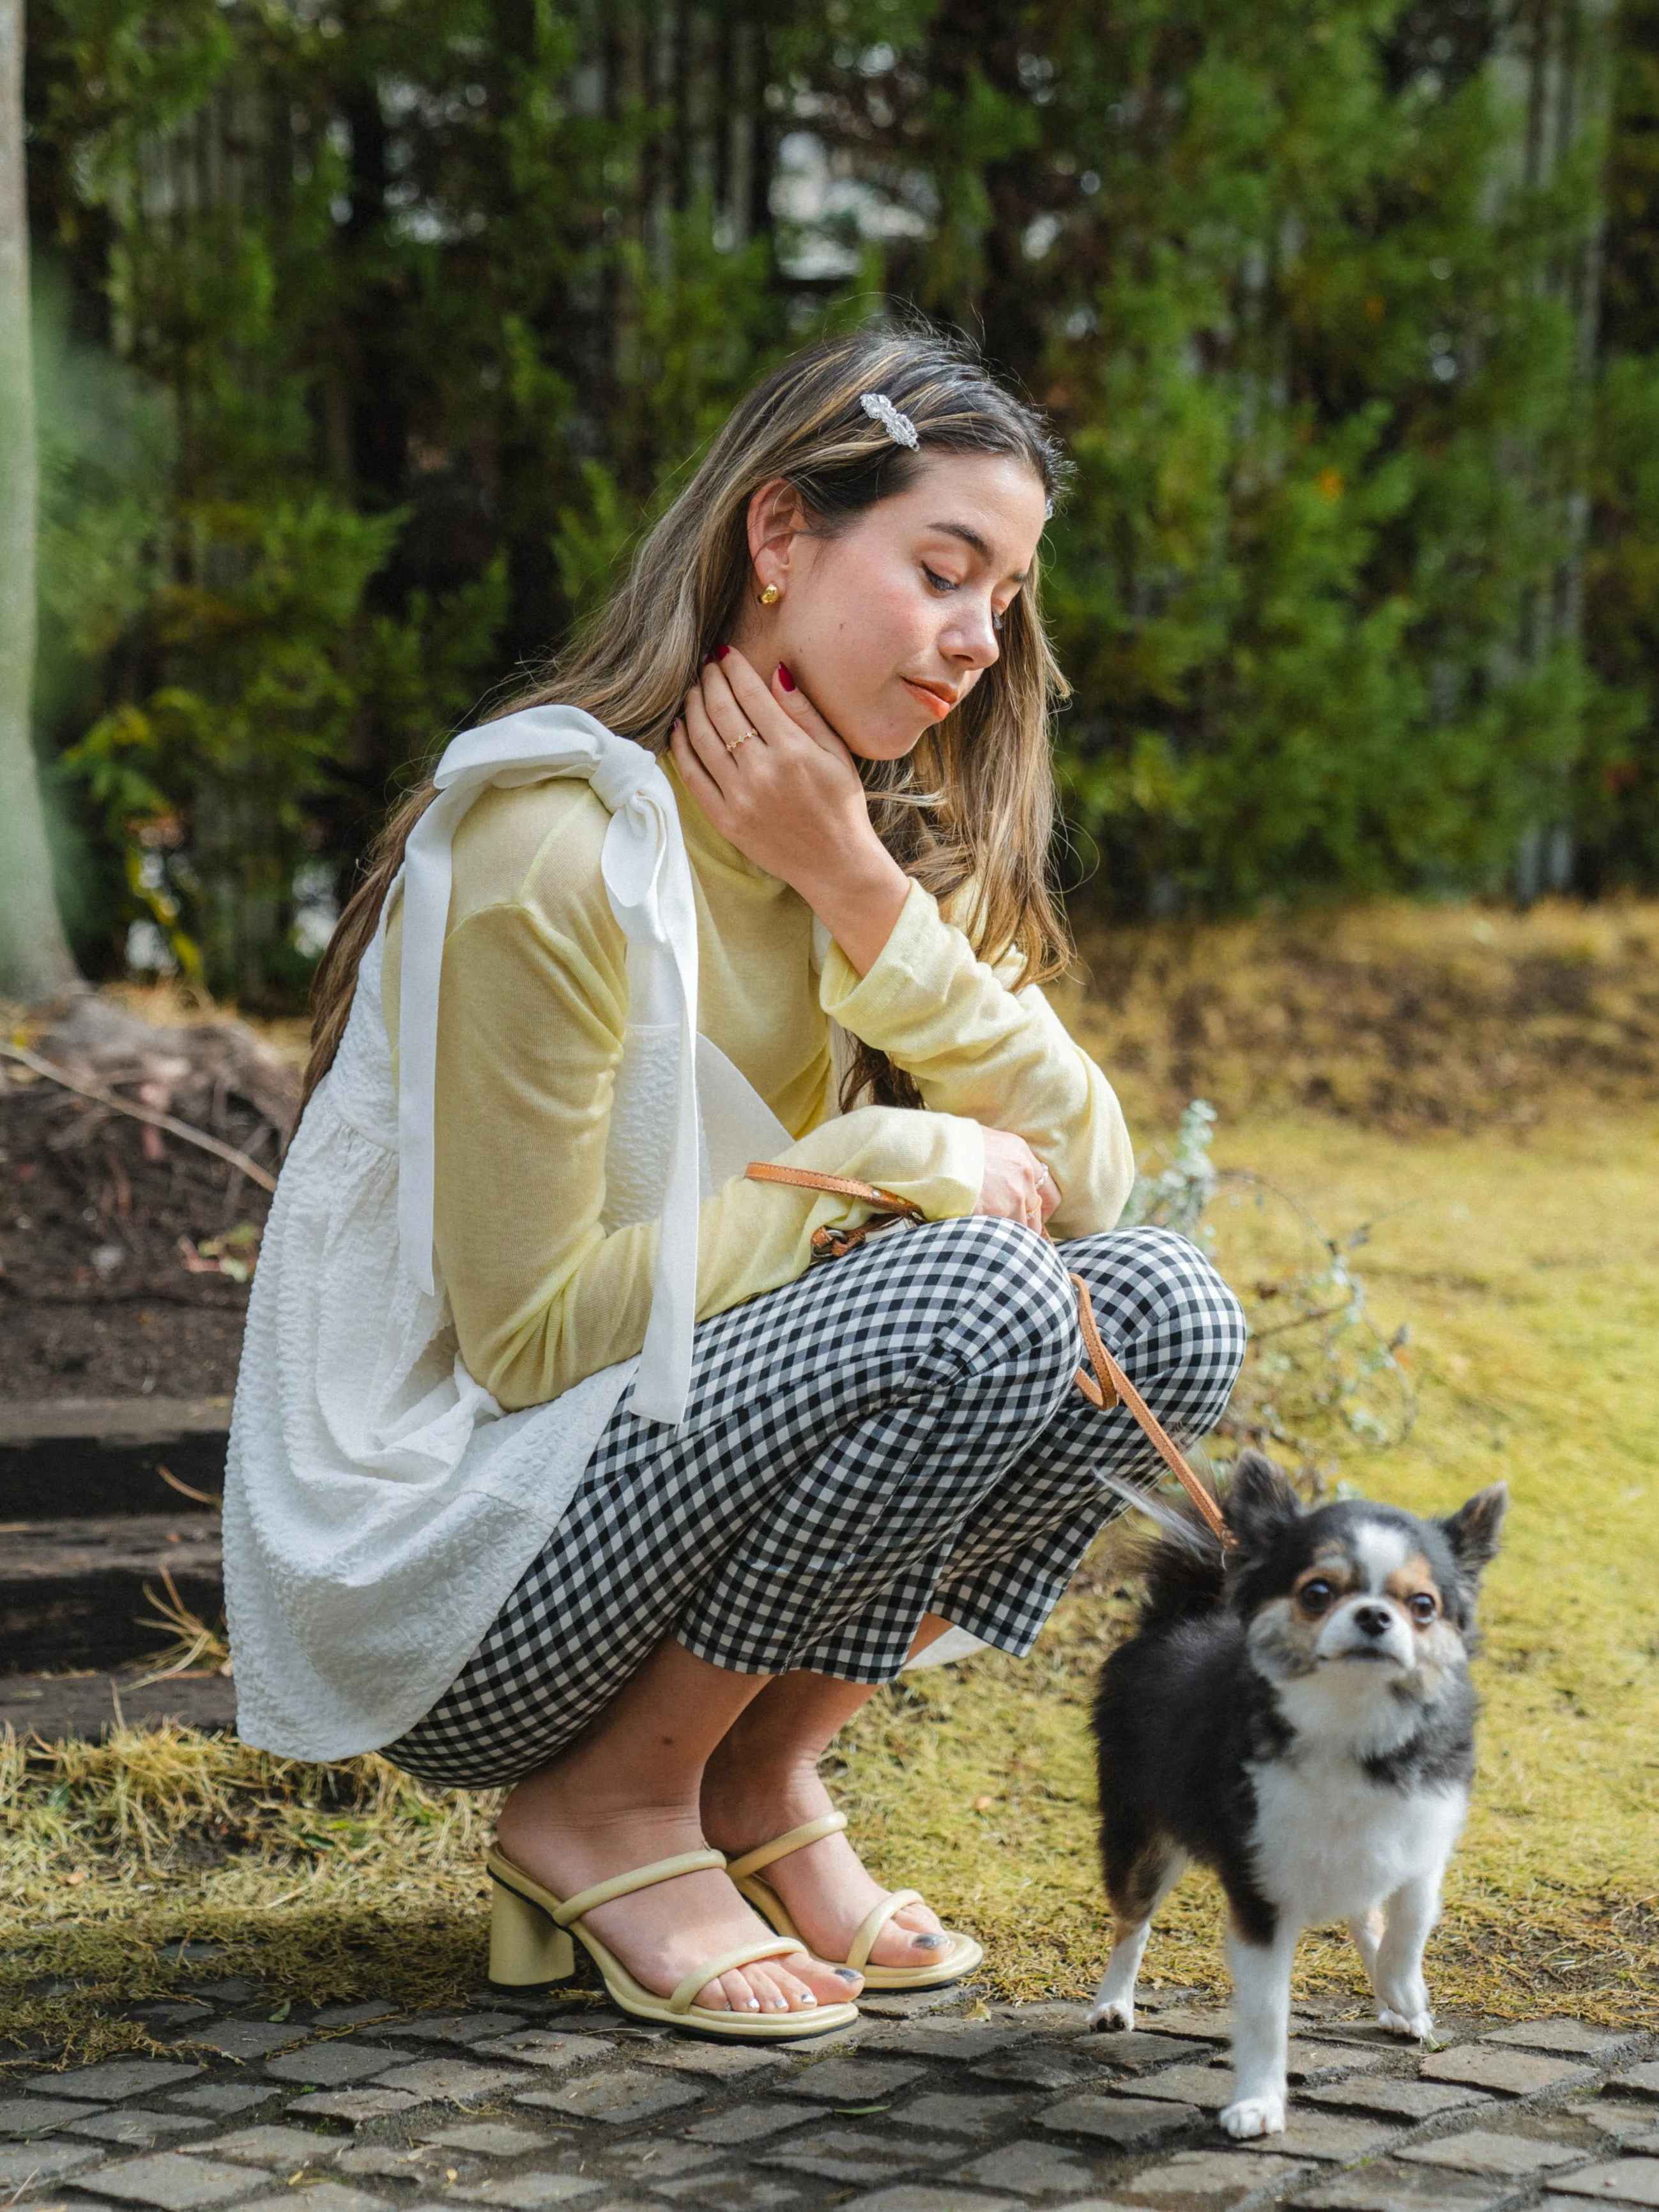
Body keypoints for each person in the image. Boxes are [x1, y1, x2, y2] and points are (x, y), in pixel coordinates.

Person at [223, 325, 1247, 2041]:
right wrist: (866, 1159)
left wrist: (852, 889)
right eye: (942, 572)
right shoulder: (553, 848)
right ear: (777, 537)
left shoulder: (867, 832)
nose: (978, 643)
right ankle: (604, 1805)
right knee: (976, 1290)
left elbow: (1095, 1185)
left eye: (1003, 597)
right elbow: (534, 1336)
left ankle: (755, 1780)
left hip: (655, 1493)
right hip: (470, 1563)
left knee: (1162, 1311)